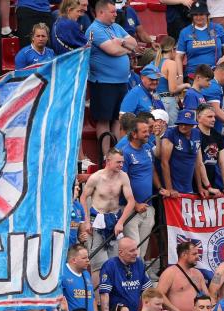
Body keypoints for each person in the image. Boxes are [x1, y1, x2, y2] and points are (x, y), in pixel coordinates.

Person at [85, 0, 139, 147]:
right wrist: (126, 47)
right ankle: (105, 155)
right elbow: (112, 50)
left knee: (116, 119)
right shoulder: (94, 29)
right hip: (103, 82)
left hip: (121, 82)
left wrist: (121, 42)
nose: (116, 14)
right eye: (113, 11)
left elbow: (133, 43)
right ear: (101, 12)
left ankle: (116, 152)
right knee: (104, 120)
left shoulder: (116, 27)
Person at [80, 150, 136, 277]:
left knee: (114, 263)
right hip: (97, 221)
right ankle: (98, 296)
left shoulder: (123, 176)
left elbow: (131, 201)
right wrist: (87, 221)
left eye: (122, 162)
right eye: (118, 162)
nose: (121, 165)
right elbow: (83, 198)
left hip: (114, 220)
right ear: (108, 161)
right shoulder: (96, 177)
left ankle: (111, 295)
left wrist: (121, 222)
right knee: (98, 265)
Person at [175, 1, 224, 80]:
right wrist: (180, 76)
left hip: (215, 74)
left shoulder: (218, 28)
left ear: (207, 15)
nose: (198, 17)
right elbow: (178, 57)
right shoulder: (185, 32)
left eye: (201, 14)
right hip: (194, 75)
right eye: (195, 15)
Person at [159, 109, 202, 197]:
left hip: (188, 187)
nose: (183, 126)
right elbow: (164, 162)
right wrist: (169, 189)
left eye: (186, 124)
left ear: (193, 125)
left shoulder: (197, 133)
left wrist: (200, 187)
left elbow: (197, 163)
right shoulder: (170, 133)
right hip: (173, 187)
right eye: (181, 123)